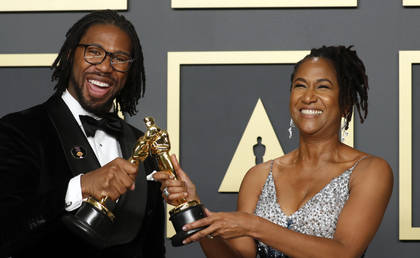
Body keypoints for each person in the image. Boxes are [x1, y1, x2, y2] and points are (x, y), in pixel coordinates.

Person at [155, 46, 393, 257]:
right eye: (300, 85)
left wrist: (254, 225)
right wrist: (194, 209)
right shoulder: (258, 176)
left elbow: (344, 252)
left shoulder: (369, 171)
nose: (309, 97)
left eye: (323, 87)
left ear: (346, 102)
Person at [0, 10, 165, 258]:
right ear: (70, 54)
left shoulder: (142, 144)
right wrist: (80, 187)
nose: (105, 67)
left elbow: (152, 250)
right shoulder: (23, 129)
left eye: (119, 58)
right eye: (94, 52)